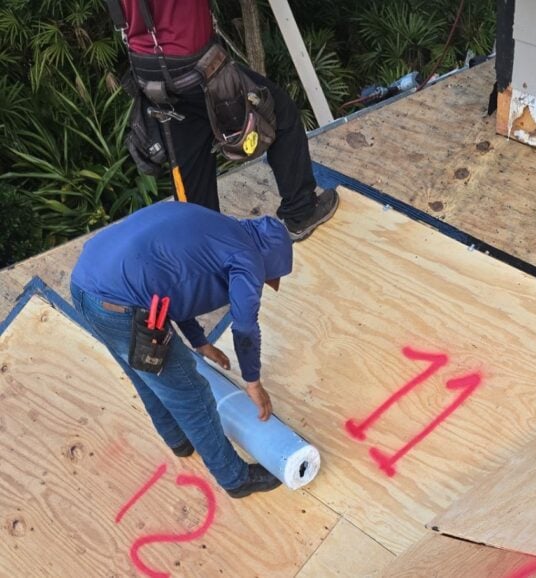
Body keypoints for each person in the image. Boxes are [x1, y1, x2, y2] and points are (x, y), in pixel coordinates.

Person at [70, 201, 292, 498]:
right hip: (120, 303)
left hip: (86, 282)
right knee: (192, 393)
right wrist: (253, 381)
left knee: (145, 371)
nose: (263, 282)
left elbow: (173, 284)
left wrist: (200, 342)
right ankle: (235, 479)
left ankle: (179, 440)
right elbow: (245, 327)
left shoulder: (217, 228)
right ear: (269, 261)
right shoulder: (248, 258)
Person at [115, 0, 338, 241]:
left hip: (149, 73)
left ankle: (207, 247)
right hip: (196, 67)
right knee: (279, 114)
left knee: (192, 168)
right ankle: (301, 211)